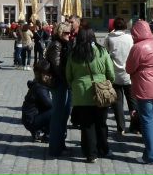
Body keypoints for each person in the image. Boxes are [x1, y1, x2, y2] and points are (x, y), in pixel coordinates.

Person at [65, 27, 115, 164]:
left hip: (81, 93)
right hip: (101, 91)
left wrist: (75, 84)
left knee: (86, 125)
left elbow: (68, 75)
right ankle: (103, 149)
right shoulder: (101, 51)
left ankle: (90, 154)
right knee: (101, 123)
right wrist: (108, 81)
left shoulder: (73, 54)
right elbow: (110, 72)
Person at [125, 19, 153, 165]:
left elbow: (129, 68)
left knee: (146, 121)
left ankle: (150, 156)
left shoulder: (138, 47)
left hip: (143, 86)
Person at [45, 22, 72, 157]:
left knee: (64, 115)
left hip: (64, 83)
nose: (69, 34)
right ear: (60, 33)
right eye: (66, 32)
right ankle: (55, 147)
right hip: (59, 83)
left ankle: (60, 143)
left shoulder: (63, 44)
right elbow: (57, 66)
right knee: (57, 115)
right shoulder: (56, 44)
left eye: (70, 32)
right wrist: (68, 78)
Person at [105, 17, 135, 137]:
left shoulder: (109, 38)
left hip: (115, 74)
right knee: (132, 102)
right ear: (125, 27)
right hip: (129, 74)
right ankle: (135, 125)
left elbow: (106, 52)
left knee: (117, 103)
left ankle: (120, 127)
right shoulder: (129, 37)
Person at [22, 65, 53, 141]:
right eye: (47, 75)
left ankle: (37, 131)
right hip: (31, 120)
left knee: (49, 110)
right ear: (42, 75)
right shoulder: (40, 88)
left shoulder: (37, 85)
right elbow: (50, 104)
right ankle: (47, 135)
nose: (49, 77)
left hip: (28, 118)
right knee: (55, 110)